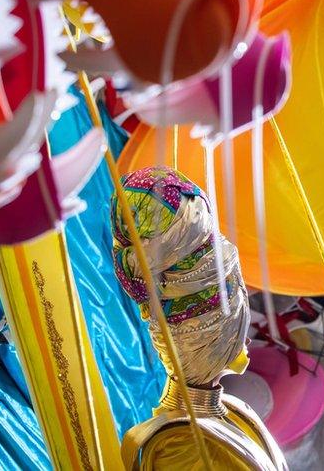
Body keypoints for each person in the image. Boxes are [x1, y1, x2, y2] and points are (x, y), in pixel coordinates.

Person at [110, 166, 287, 471]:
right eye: (233, 327)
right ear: (207, 340)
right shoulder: (183, 445)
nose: (245, 339)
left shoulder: (227, 413)